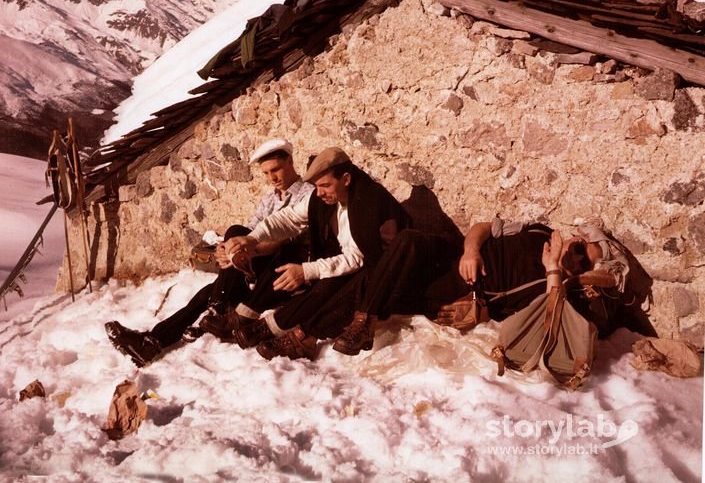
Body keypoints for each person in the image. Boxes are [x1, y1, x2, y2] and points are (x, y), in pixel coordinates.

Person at [104, 138, 312, 366]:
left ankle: (216, 306)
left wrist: (247, 248)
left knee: (213, 284)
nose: (272, 178)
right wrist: (226, 248)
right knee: (228, 246)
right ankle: (152, 342)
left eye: (276, 170)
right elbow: (249, 230)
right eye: (266, 173)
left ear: (290, 161)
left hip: (283, 270)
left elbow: (290, 241)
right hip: (257, 267)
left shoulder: (307, 194)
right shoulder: (268, 199)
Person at [332, 217, 655, 355]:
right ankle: (364, 321)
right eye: (581, 247)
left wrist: (554, 268)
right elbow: (484, 227)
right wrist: (471, 251)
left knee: (372, 279)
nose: (577, 256)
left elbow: (534, 323)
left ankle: (322, 328)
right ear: (576, 236)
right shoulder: (540, 231)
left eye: (585, 262)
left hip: (464, 289)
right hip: (455, 256)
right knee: (409, 239)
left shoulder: (554, 285)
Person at [213, 146, 410, 360]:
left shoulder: (367, 201)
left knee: (332, 282)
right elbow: (289, 218)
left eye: (325, 185)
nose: (319, 193)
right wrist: (253, 237)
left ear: (345, 179)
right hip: (352, 265)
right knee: (319, 276)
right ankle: (266, 325)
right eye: (317, 186)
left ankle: (301, 335)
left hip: (383, 279)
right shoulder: (326, 196)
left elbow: (357, 257)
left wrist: (307, 271)